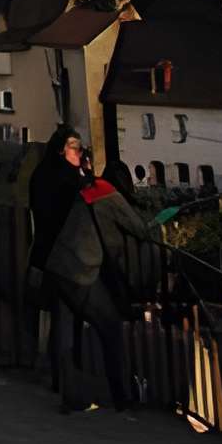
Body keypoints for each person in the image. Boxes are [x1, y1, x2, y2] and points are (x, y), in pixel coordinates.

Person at [43, 150, 165, 414]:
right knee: (109, 325)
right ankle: (121, 398)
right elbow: (139, 229)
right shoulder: (108, 193)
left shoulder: (87, 191)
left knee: (66, 335)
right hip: (81, 270)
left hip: (57, 264)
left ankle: (69, 397)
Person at [27, 129, 85, 393]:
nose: (80, 154)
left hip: (43, 253)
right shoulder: (68, 179)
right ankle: (65, 378)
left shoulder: (41, 174)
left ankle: (53, 372)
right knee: (64, 317)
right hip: (65, 256)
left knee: (52, 315)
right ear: (64, 149)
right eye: (77, 149)